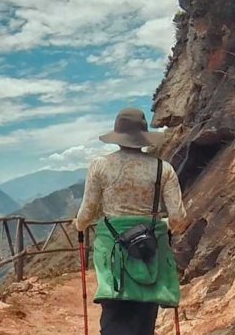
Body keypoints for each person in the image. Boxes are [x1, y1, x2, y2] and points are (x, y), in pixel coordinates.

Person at [74, 108, 188, 335]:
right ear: (143, 136)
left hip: (113, 251)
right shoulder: (162, 169)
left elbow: (87, 213)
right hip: (149, 249)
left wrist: (79, 226)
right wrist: (163, 225)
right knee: (145, 314)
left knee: (114, 311)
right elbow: (178, 218)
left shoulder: (99, 166)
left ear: (118, 135)